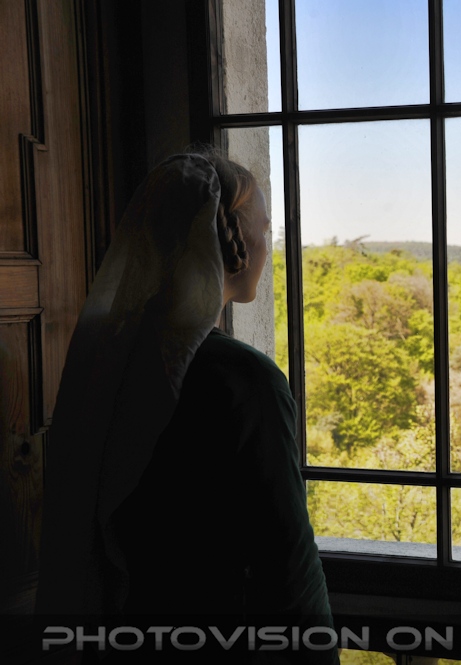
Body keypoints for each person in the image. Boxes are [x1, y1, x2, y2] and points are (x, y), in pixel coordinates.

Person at [35, 151, 337, 663]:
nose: (269, 244)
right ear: (233, 241)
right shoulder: (244, 379)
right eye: (265, 228)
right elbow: (287, 562)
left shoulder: (110, 359)